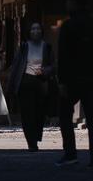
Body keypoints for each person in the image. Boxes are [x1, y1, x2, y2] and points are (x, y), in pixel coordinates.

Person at [55, 0, 93, 170]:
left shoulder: (68, 26)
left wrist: (62, 80)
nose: (66, 6)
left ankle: (70, 153)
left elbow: (63, 56)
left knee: (65, 115)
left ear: (74, 4)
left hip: (72, 79)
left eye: (68, 2)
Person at [6, 20, 56, 151]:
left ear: (42, 31)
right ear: (29, 32)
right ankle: (31, 142)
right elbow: (16, 66)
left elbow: (53, 65)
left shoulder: (47, 47)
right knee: (27, 114)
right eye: (33, 29)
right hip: (25, 81)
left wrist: (45, 71)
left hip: (41, 81)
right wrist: (11, 85)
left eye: (38, 29)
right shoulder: (24, 47)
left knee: (39, 113)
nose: (36, 31)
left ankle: (35, 137)